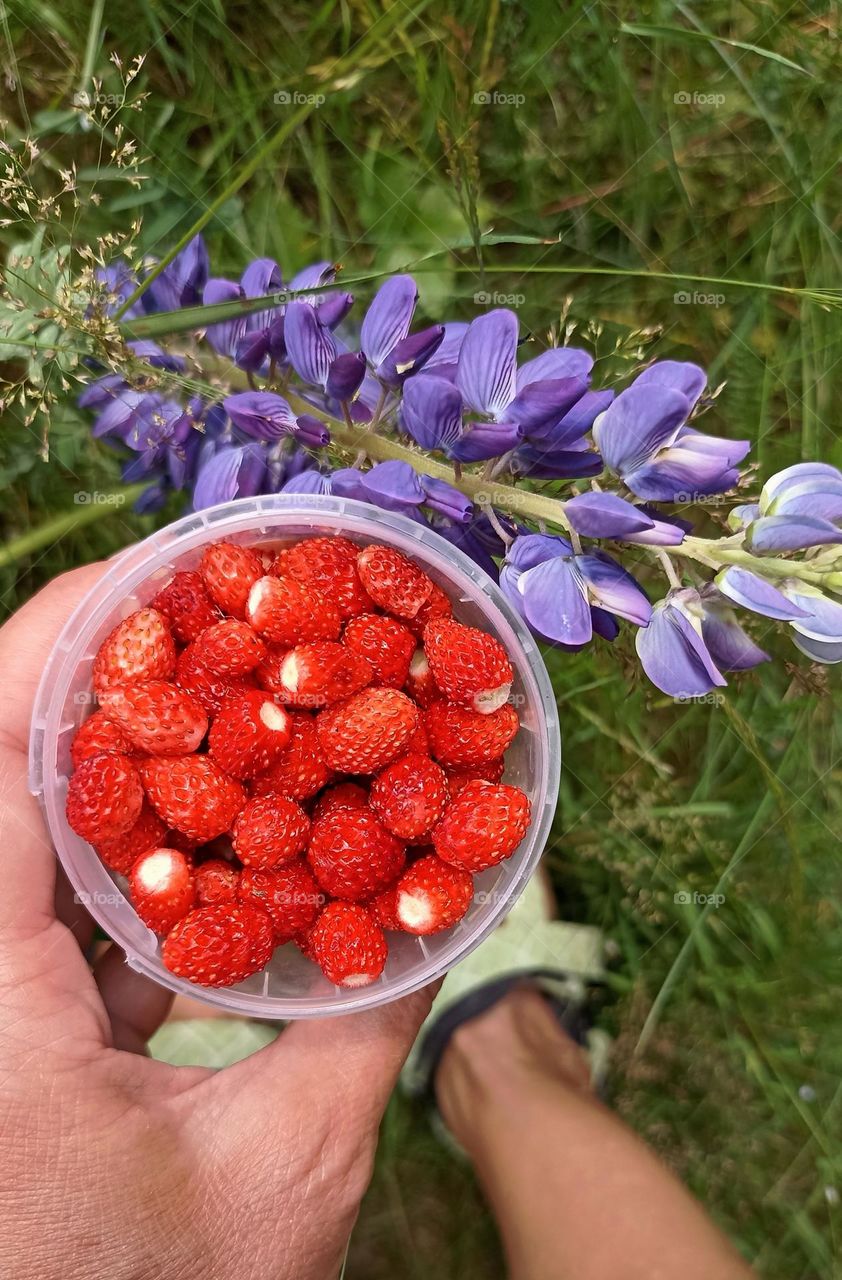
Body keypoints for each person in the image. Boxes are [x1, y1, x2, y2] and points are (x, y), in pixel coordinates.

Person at [0, 565, 753, 1279]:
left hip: (302, 850)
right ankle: (505, 1043)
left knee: (242, 917)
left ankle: (291, 1037)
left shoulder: (335, 711)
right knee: (276, 906)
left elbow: (322, 775)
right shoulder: (251, 759)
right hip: (285, 857)